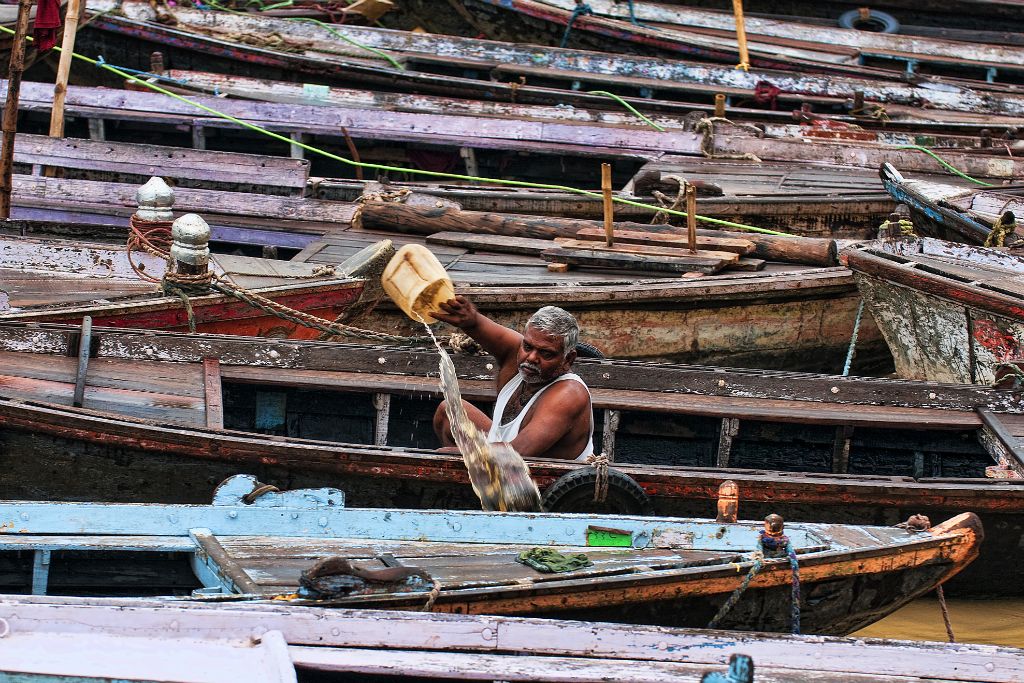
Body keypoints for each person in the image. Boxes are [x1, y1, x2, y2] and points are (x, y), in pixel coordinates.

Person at [432, 296, 594, 461]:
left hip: (537, 478)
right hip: (501, 460)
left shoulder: (569, 395)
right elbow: (473, 322)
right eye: (527, 347)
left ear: (568, 359)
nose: (531, 358)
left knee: (447, 456)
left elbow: (517, 453)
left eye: (546, 353)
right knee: (448, 411)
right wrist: (464, 314)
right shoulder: (516, 351)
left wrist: (457, 456)